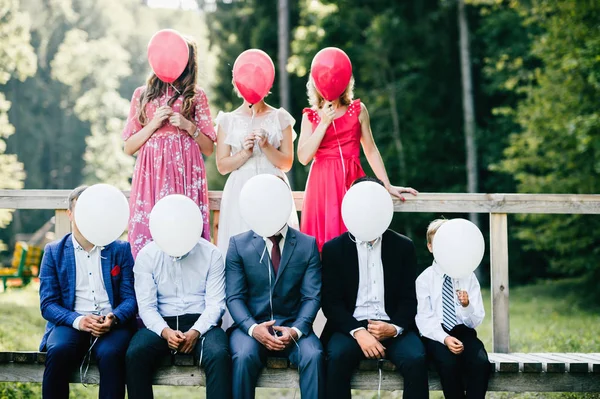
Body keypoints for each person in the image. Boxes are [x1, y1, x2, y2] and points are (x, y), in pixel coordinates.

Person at [321, 176, 429, 399]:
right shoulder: (333, 249)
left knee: (416, 358)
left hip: (392, 325)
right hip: (350, 327)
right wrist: (358, 332)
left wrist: (395, 328)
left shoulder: (403, 247)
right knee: (336, 357)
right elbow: (331, 303)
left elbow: (410, 300)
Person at [298, 75, 418, 251]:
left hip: (352, 182)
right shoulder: (311, 115)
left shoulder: (358, 110)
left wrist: (386, 183)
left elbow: (370, 149)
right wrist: (324, 123)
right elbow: (303, 157)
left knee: (357, 238)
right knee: (322, 243)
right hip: (322, 185)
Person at [39, 186, 137, 399]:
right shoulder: (54, 251)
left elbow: (130, 298)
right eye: (82, 209)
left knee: (111, 354)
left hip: (112, 324)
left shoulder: (120, 249)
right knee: (58, 351)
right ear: (70, 214)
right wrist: (79, 320)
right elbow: (47, 304)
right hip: (71, 322)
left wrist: (114, 317)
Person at [122, 36, 216, 258]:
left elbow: (209, 148)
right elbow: (129, 146)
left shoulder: (196, 95)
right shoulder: (141, 94)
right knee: (150, 230)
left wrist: (187, 126)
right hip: (151, 173)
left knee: (183, 228)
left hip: (186, 170)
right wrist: (154, 124)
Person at [226, 214, 324, 398]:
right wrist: (253, 329)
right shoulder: (238, 244)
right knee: (243, 356)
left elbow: (311, 297)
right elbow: (234, 297)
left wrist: (296, 330)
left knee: (314, 355)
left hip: (294, 326)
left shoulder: (307, 244)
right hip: (251, 327)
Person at [126, 239, 232, 399]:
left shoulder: (211, 253)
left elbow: (215, 304)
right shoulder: (147, 254)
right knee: (135, 354)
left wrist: (196, 331)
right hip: (161, 324)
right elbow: (146, 307)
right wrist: (165, 332)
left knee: (219, 354)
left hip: (202, 323)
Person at [416, 219, 491, 399]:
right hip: (436, 335)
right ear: (430, 247)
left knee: (481, 363)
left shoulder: (468, 276)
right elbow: (424, 319)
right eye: (438, 244)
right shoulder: (424, 279)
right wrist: (445, 338)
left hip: (464, 331)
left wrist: (467, 306)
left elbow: (476, 320)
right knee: (448, 364)